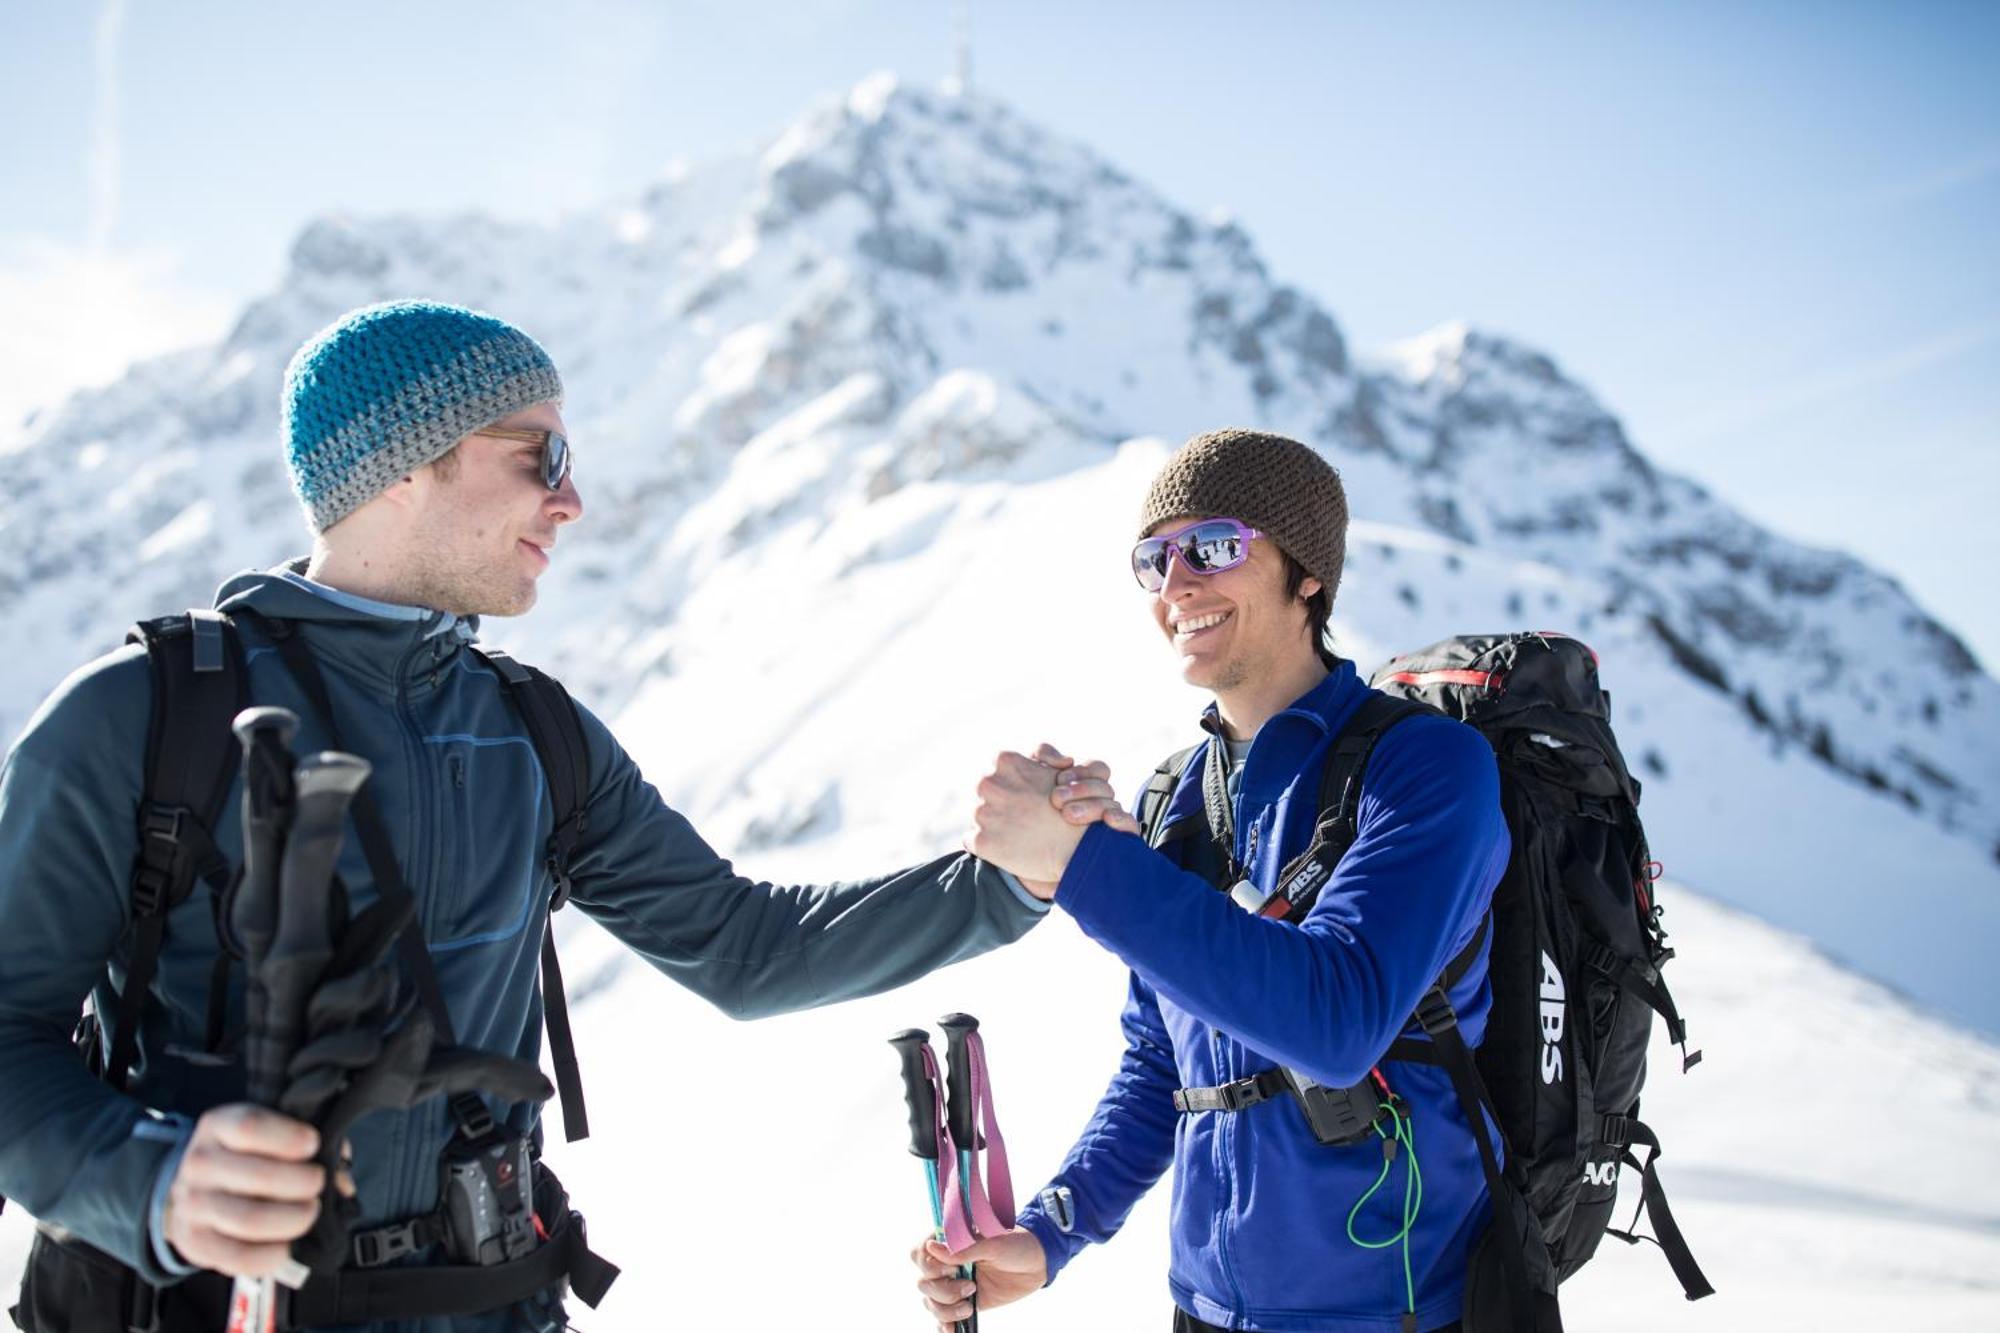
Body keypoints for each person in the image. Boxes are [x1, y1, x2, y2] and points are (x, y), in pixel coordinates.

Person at [0, 300, 1123, 1333]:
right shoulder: (145, 716)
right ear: (403, 466)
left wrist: (1007, 881)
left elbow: (746, 948)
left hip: (491, 1301)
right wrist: (149, 1182)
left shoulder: (533, 732)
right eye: (541, 455)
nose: (572, 498)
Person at [917, 428, 1510, 1332]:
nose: (1177, 584)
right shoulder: (1177, 799)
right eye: (1154, 559)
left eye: (1215, 547)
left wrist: (1081, 863)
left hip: (1398, 1315)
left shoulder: (1426, 769)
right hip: (1203, 1311)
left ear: (1307, 573)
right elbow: (1164, 1066)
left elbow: (1337, 1020)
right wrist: (1048, 1236)